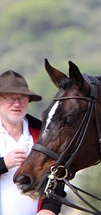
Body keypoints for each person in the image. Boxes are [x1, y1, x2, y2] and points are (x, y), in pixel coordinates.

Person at [0, 70, 64, 215]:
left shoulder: (44, 135)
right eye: (11, 98)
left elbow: (57, 179)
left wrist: (50, 209)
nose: (17, 104)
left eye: (23, 98)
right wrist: (4, 163)